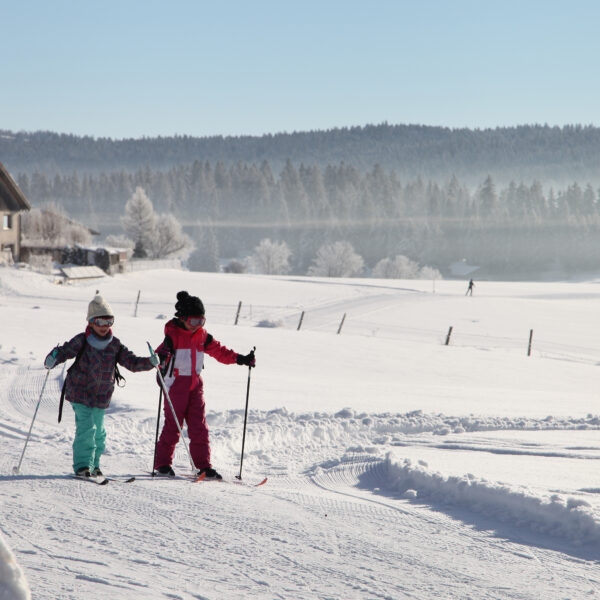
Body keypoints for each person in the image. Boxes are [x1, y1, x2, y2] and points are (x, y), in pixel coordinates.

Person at [44, 293, 159, 478]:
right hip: (80, 393)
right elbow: (64, 351)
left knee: (100, 434)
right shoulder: (81, 340)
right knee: (87, 429)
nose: (105, 327)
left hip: (101, 396)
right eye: (100, 322)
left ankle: (94, 465)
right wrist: (52, 358)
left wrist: (150, 362)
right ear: (90, 322)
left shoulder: (114, 345)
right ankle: (83, 466)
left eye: (109, 322)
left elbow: (131, 362)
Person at [153, 290, 256, 480]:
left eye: (201, 321)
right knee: (173, 426)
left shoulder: (202, 336)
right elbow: (160, 354)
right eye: (194, 321)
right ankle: (162, 463)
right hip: (175, 386)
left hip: (195, 386)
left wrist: (240, 359)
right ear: (182, 318)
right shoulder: (173, 335)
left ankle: (203, 466)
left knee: (199, 427)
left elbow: (219, 351)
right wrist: (161, 357)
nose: (197, 326)